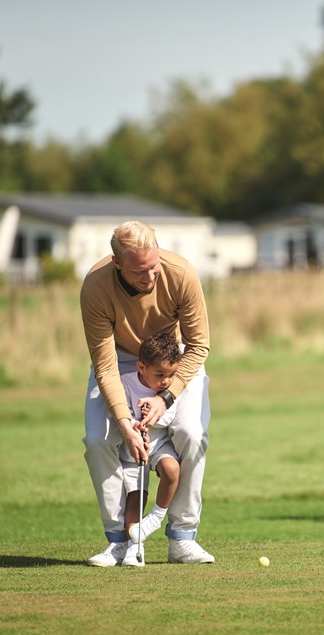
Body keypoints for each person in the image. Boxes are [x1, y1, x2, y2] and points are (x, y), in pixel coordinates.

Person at [81, 220, 214, 566]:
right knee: (99, 439)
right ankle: (119, 541)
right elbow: (105, 367)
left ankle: (183, 537)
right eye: (140, 272)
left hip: (174, 359)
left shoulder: (182, 273)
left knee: (190, 432)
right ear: (117, 264)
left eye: (154, 267)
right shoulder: (96, 287)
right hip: (122, 361)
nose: (151, 278)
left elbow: (198, 346)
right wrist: (124, 422)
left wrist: (165, 396)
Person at [121, 331, 184, 564]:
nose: (166, 381)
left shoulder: (168, 390)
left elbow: (170, 417)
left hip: (158, 445)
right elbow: (121, 413)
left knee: (171, 470)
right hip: (132, 450)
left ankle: (156, 518)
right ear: (141, 367)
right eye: (160, 374)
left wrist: (153, 416)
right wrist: (135, 421)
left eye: (171, 374)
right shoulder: (126, 383)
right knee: (135, 499)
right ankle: (133, 547)